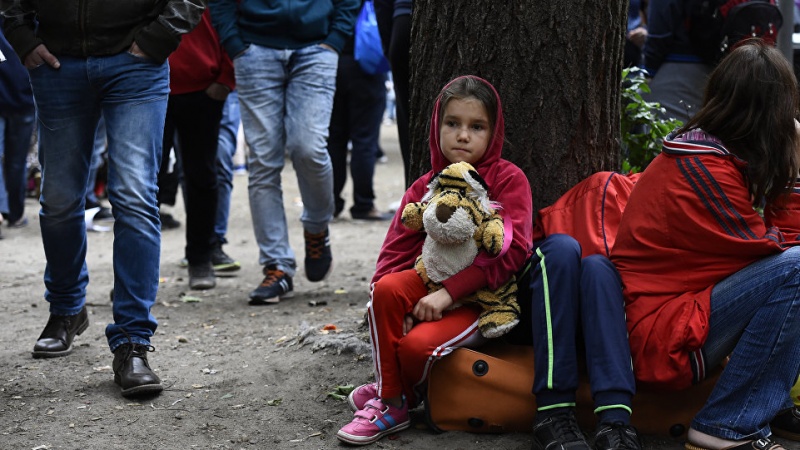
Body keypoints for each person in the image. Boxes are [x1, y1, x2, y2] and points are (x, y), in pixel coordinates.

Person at [0, 0, 205, 398]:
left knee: (134, 197)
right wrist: (22, 38)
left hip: (136, 62)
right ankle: (66, 309)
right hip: (57, 64)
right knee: (58, 199)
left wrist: (160, 36)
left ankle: (132, 342)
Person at [611, 40, 800, 449]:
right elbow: (775, 249)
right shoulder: (703, 167)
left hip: (672, 317)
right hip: (659, 337)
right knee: (799, 268)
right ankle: (726, 426)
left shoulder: (705, 153)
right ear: (769, 114)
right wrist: (794, 173)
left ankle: (773, 405)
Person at [336, 75, 533, 445]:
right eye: (453, 124)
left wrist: (447, 294)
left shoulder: (509, 180)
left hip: (479, 301)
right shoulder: (425, 184)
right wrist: (395, 303)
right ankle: (393, 403)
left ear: (494, 132)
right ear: (436, 126)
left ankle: (391, 389)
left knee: (416, 347)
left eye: (477, 127)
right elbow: (394, 252)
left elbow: (513, 251)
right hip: (425, 284)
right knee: (387, 289)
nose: (463, 135)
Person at [209, 0, 360, 305]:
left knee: (309, 149)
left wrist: (335, 39)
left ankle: (317, 229)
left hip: (317, 47)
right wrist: (234, 43)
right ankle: (277, 265)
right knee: (263, 161)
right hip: (254, 48)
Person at [162, 7, 235, 290]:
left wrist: (226, 77)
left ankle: (201, 257)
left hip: (204, 86)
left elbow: (232, 16)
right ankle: (135, 272)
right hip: (147, 83)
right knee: (142, 182)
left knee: (202, 175)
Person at [328, 0, 392, 222]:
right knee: (365, 141)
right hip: (368, 69)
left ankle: (331, 204)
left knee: (334, 141)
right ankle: (363, 205)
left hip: (333, 65)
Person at [642, 0, 713, 121]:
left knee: (669, 133)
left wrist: (648, 72)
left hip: (678, 68)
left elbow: (659, 33)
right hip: (729, 67)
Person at [0, 20, 34, 234]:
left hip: (17, 97)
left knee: (15, 160)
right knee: (17, 161)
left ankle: (6, 210)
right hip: (25, 96)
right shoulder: (27, 16)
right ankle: (13, 212)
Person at [211, 90, 242, 272]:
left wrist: (226, 78)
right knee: (189, 169)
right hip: (179, 85)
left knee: (220, 162)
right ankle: (197, 243)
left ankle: (215, 242)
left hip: (221, 84)